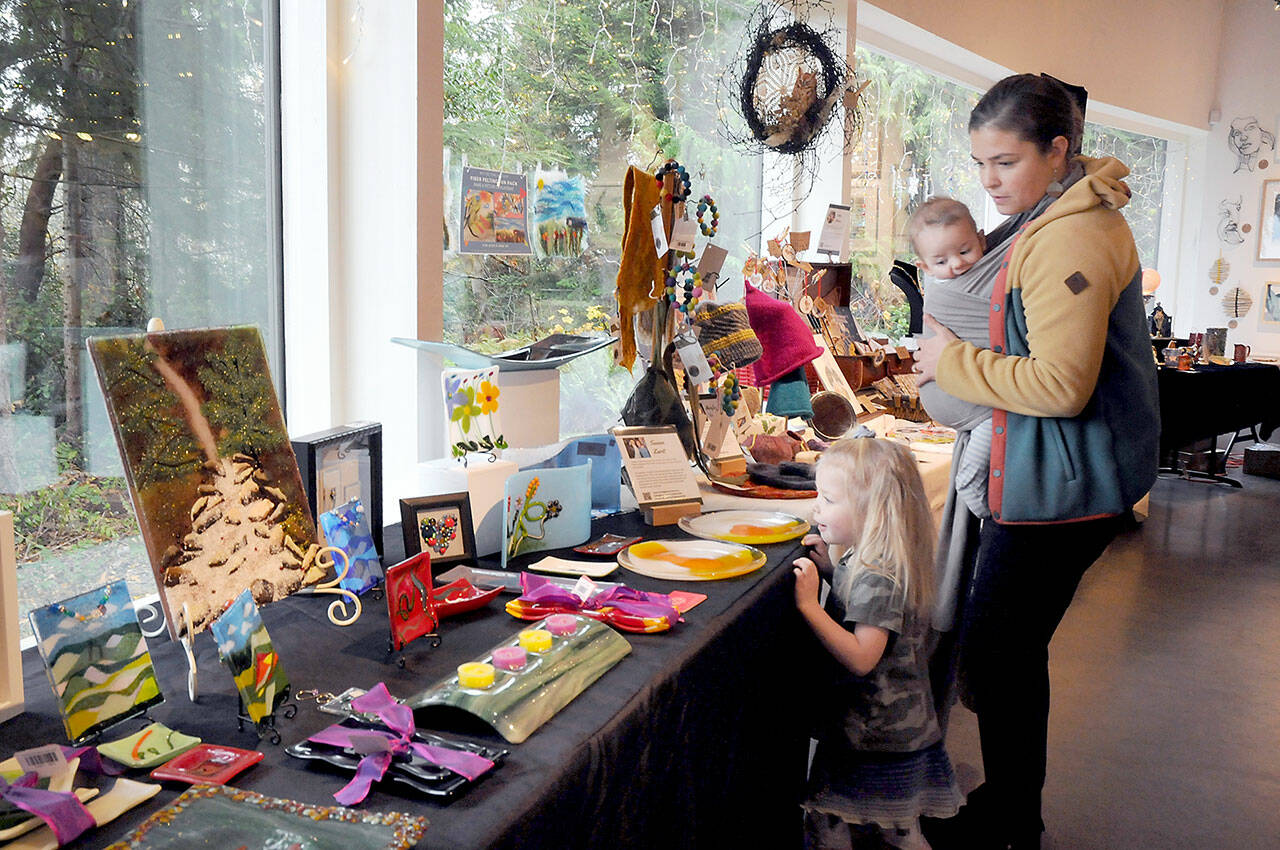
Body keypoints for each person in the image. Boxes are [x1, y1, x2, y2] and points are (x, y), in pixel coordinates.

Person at [912, 74, 1159, 849]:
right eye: (980, 163)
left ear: (1058, 151)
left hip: (1065, 479)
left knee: (998, 650)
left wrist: (949, 364)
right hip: (1054, 468)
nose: (988, 182)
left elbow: (1059, 383)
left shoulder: (1071, 235)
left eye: (1006, 162)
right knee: (1006, 650)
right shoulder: (1054, 216)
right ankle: (1012, 809)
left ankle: (1012, 819)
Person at [793, 437, 963, 850]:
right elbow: (870, 613)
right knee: (895, 825)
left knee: (826, 818)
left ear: (873, 510)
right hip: (894, 727)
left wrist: (809, 605)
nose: (817, 508)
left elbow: (862, 657)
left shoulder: (877, 576)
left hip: (871, 731)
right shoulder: (873, 560)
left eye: (829, 499)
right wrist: (833, 571)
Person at [908, 197, 993, 519]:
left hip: (985, 404)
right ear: (925, 268)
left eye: (965, 251)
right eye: (941, 261)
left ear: (982, 241)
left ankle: (971, 485)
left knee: (985, 447)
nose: (955, 265)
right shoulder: (938, 284)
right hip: (967, 398)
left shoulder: (987, 276)